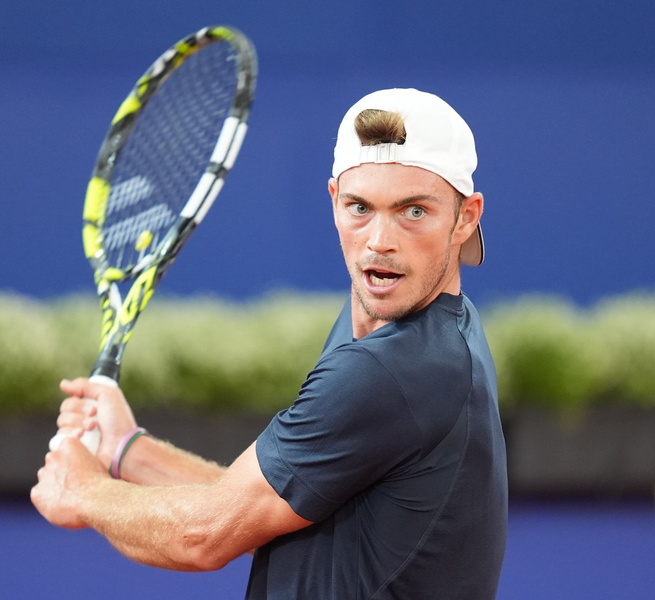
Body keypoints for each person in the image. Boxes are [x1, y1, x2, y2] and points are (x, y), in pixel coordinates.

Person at [32, 88, 508, 599]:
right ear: (334, 200)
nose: (379, 241)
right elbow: (261, 501)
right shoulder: (423, 332)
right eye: (360, 207)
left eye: (413, 211)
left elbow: (203, 535)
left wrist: (83, 490)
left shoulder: (391, 371)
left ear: (466, 217)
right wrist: (126, 448)